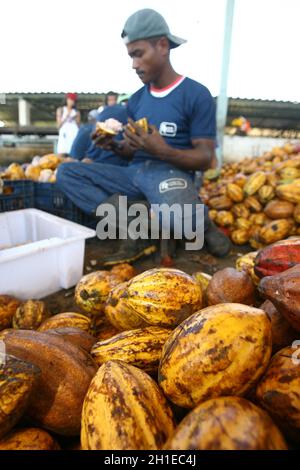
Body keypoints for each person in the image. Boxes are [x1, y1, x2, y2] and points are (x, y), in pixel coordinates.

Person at [57, 9, 231, 263]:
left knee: (177, 218)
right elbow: (130, 150)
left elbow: (206, 158)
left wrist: (163, 151)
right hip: (133, 175)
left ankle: (203, 227)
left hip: (170, 175)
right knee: (67, 173)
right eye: (130, 56)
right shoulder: (137, 100)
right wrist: (113, 147)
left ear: (162, 45)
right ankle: (141, 228)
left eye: (138, 54)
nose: (134, 64)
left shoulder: (195, 94)